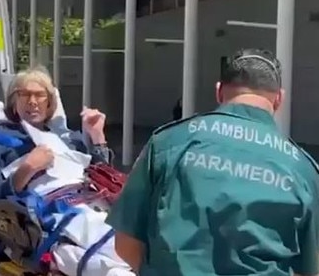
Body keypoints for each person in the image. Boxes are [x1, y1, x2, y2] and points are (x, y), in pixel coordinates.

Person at [107, 48, 319, 276]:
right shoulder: (302, 169)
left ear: (219, 92)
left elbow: (126, 241)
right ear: (279, 99)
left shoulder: (169, 142)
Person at [0, 67, 133, 276]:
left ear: (49, 102)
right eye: (25, 94)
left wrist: (97, 136)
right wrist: (27, 169)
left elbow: (102, 175)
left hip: (95, 202)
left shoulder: (65, 138)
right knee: (117, 258)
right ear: (13, 100)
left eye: (40, 95)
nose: (33, 101)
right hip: (54, 213)